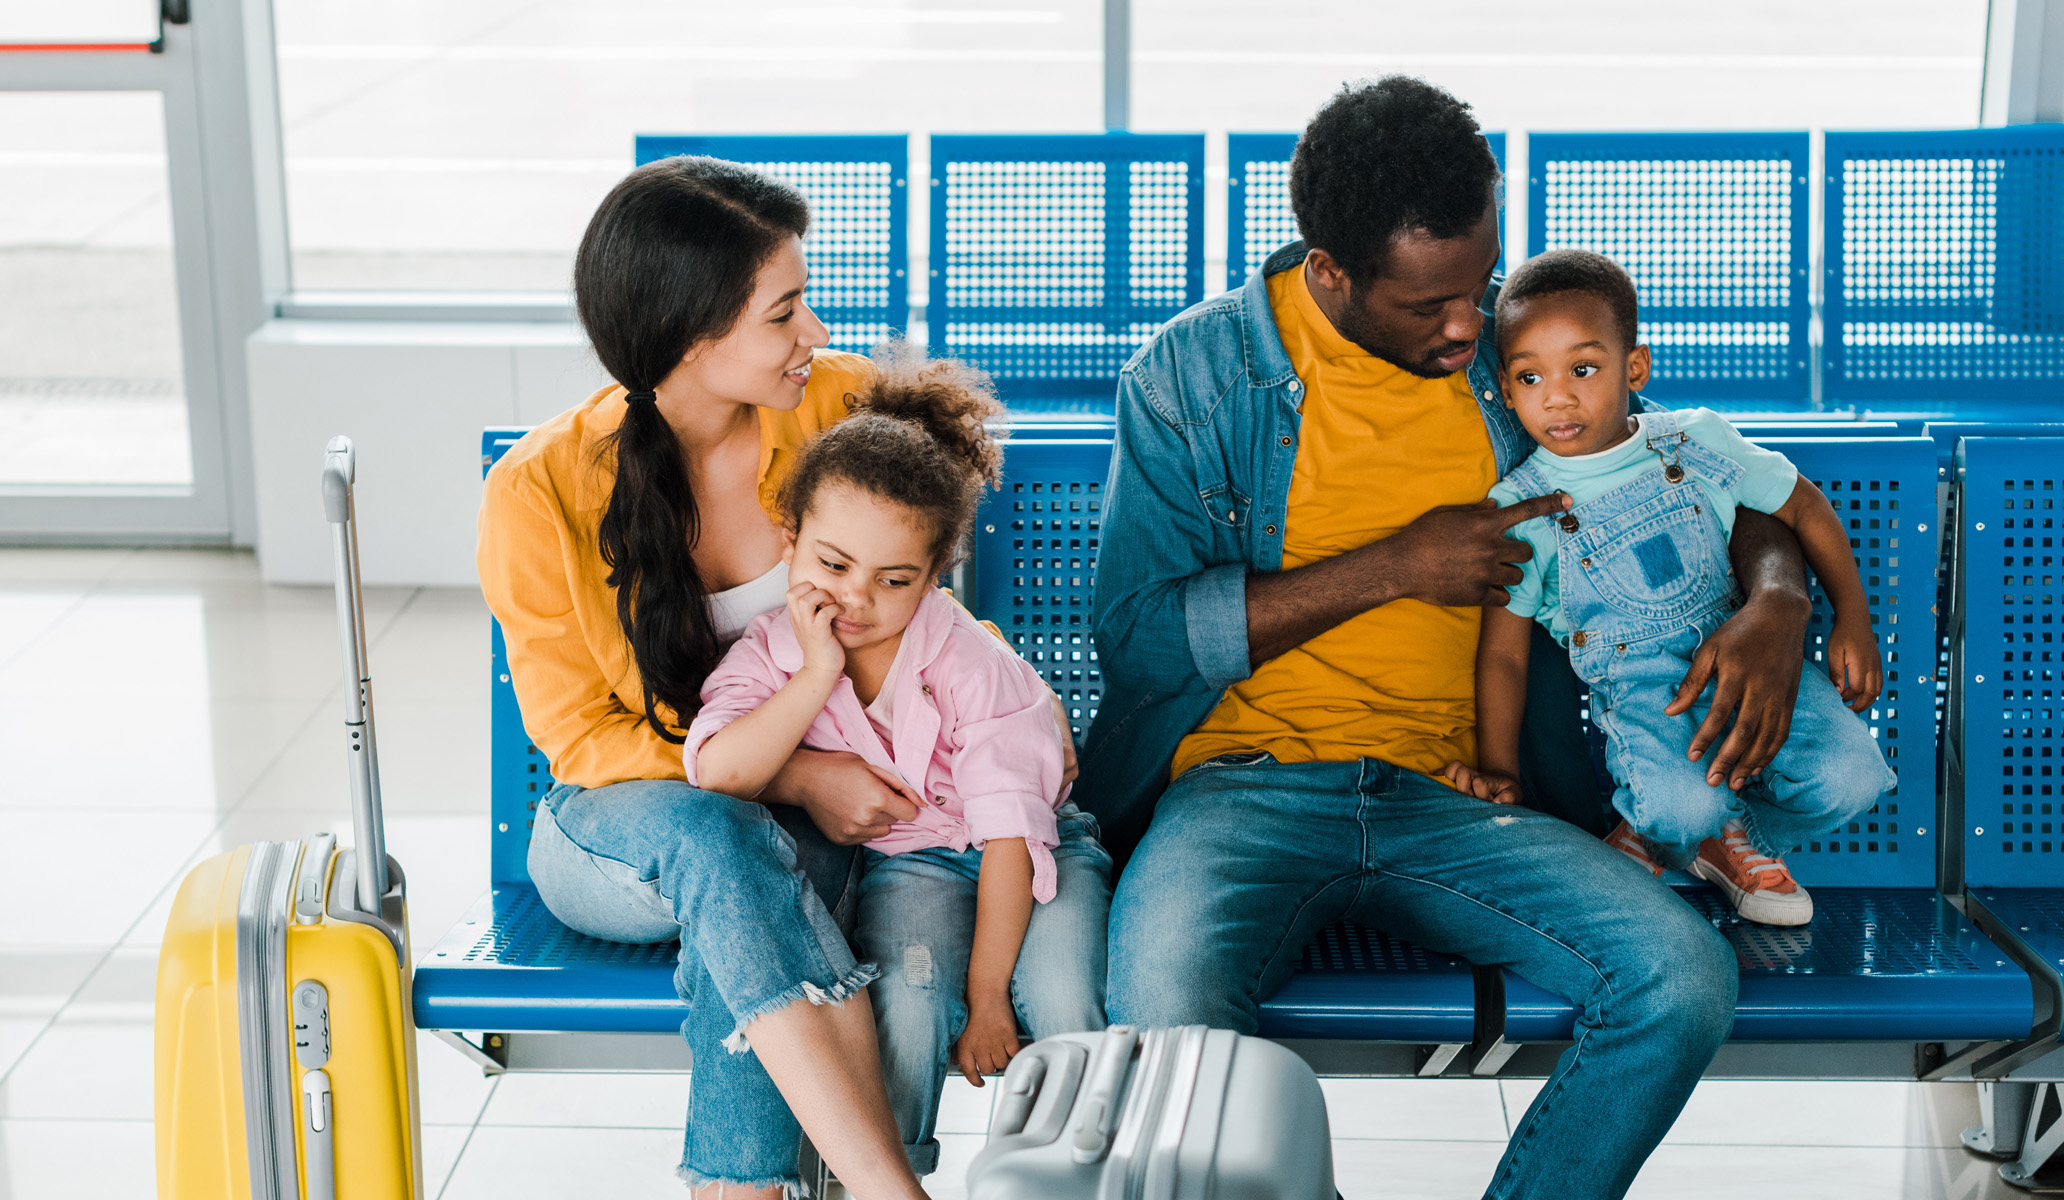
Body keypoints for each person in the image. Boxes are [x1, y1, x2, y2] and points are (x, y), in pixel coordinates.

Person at [1083, 77, 1820, 1200]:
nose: (1470, 327)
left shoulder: (1514, 352)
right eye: (1428, 304)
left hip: (1465, 797)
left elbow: (1713, 481)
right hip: (1243, 789)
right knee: (1165, 1023)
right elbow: (1138, 641)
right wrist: (1395, 568)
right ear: (1330, 270)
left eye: (1478, 285)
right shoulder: (1194, 381)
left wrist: (1778, 599)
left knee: (1680, 975)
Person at [479, 156, 1047, 1200]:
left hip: (794, 838)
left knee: (758, 888)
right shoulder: (540, 490)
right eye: (786, 313)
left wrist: (814, 781)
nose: (817, 333)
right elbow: (582, 742)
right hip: (611, 828)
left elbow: (926, 621)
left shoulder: (841, 415)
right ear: (695, 337)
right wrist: (790, 774)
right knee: (727, 837)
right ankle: (885, 1185)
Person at [684, 346, 1110, 1179]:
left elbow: (1010, 841)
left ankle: (1075, 1180)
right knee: (907, 1011)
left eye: (893, 580)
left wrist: (989, 1000)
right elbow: (716, 770)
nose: (854, 599)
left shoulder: (968, 661)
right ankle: (884, 1181)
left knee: (1064, 1003)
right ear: (790, 538)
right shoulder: (775, 652)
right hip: (913, 867)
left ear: (934, 578)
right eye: (832, 565)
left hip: (1036, 854)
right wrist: (815, 677)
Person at [1440, 249, 1896, 926]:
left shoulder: (1695, 441)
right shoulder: (1523, 509)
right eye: (1530, 377)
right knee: (1683, 803)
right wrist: (1499, 771)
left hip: (1759, 671)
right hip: (1647, 696)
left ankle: (1694, 834)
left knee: (1853, 779)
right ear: (1506, 392)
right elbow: (1503, 653)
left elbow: (1803, 506)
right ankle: (1688, 827)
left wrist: (1853, 617)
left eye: (1584, 369)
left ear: (1636, 369)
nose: (1557, 397)